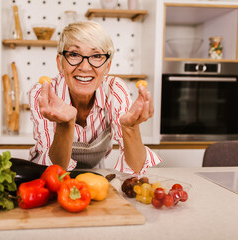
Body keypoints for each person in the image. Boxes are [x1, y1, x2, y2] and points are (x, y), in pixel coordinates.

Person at [28, 21, 161, 174]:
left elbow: (136, 167)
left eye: (96, 56)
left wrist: (130, 129)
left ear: (108, 66)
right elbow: (54, 171)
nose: (85, 67)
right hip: (43, 178)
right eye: (74, 54)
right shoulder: (44, 94)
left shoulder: (114, 90)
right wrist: (65, 124)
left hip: (93, 176)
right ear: (60, 63)